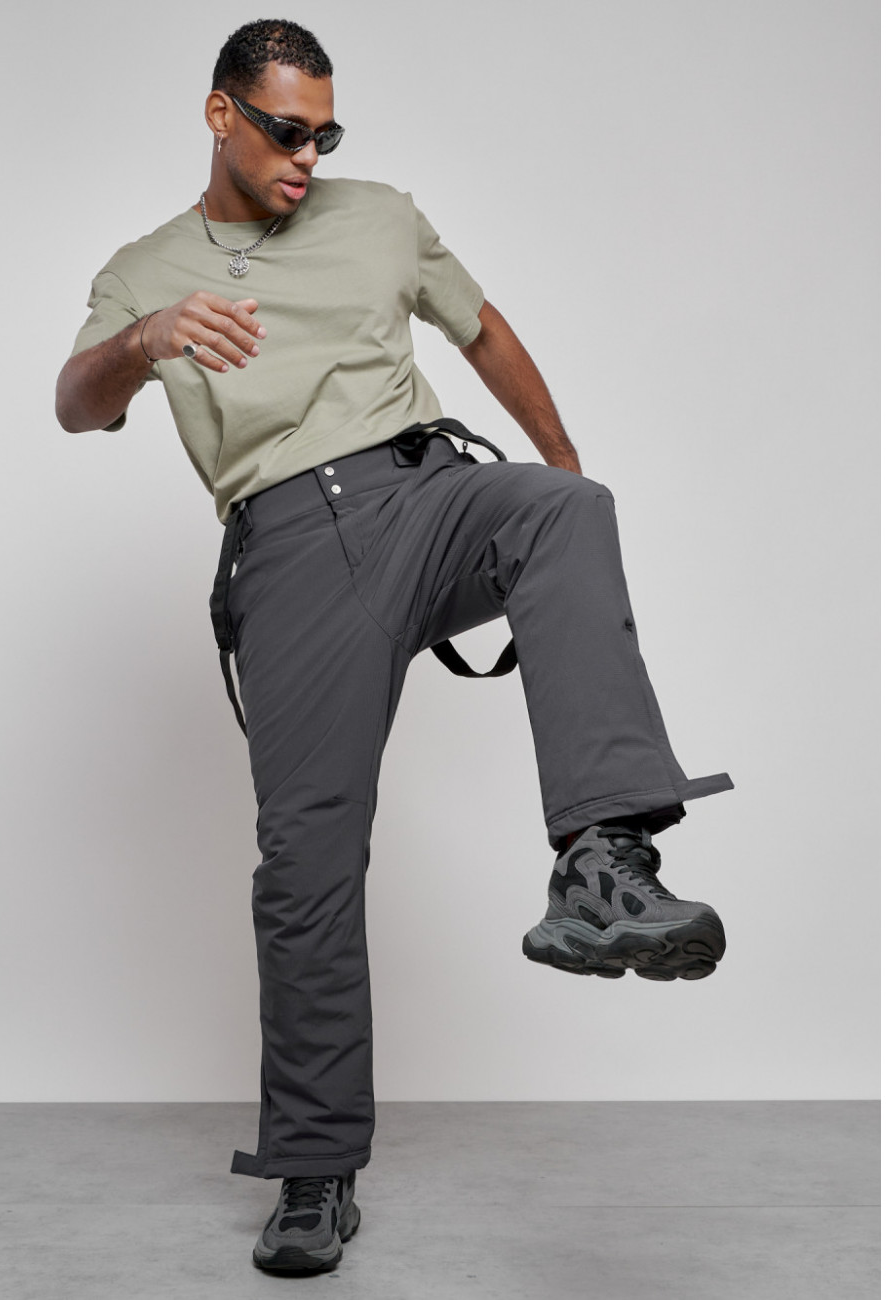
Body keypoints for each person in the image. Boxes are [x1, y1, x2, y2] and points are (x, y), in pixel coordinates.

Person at [55, 18, 734, 1277]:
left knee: (567, 509)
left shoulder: (380, 215)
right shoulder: (146, 268)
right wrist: (147, 342)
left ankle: (601, 864)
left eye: (326, 133)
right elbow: (73, 403)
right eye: (286, 131)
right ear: (219, 114)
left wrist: (559, 466)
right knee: (305, 862)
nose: (308, 157)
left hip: (426, 495)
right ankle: (315, 1171)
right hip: (288, 552)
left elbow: (483, 331)